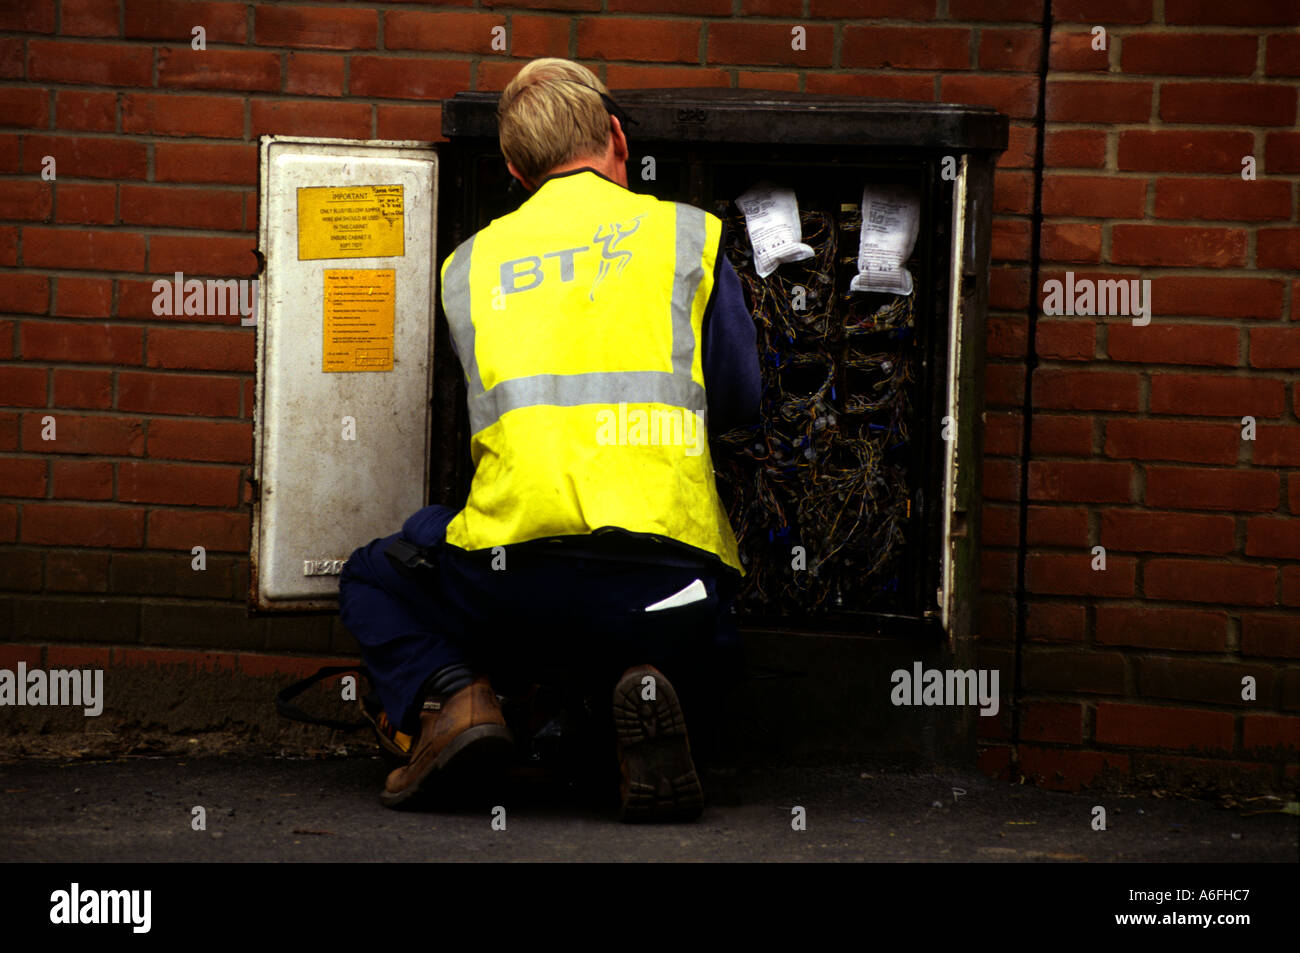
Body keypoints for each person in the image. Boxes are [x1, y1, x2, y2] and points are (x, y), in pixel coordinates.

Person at [338, 57, 760, 822]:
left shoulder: (470, 265)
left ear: (512, 167)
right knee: (706, 630)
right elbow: (740, 398)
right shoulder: (688, 238)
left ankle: (459, 699)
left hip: (512, 591)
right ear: (618, 138)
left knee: (374, 572)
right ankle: (645, 689)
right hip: (672, 590)